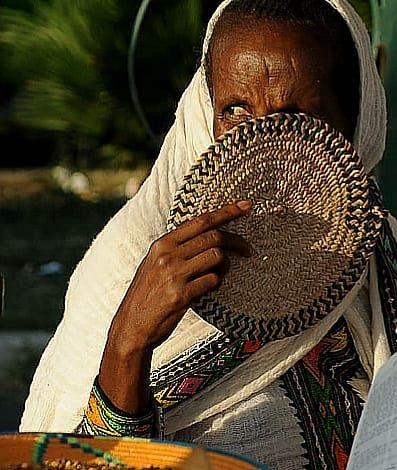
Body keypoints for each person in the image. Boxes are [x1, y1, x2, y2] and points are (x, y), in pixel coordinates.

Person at [20, 0, 397, 469]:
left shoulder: (383, 260)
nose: (265, 145)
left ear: (357, 122)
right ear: (204, 111)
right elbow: (70, 461)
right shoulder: (130, 260)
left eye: (300, 115)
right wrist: (127, 345)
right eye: (236, 110)